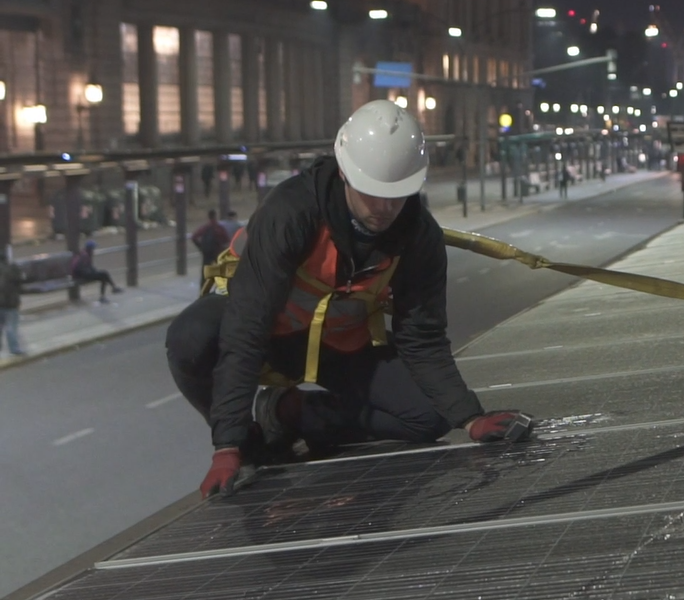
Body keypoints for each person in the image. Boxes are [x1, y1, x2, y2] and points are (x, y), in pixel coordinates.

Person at [165, 100, 535, 498]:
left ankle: (291, 412)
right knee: (189, 338)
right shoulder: (291, 212)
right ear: (344, 172)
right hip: (270, 336)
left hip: (337, 344)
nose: (385, 208)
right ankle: (256, 441)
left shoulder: (418, 235)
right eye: (372, 193)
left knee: (429, 419)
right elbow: (246, 326)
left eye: (399, 195)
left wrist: (469, 418)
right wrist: (229, 444)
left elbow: (422, 337)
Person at [0, 250, 25, 355]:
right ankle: (14, 348)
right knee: (11, 327)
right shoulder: (13, 269)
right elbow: (20, 281)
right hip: (11, 302)